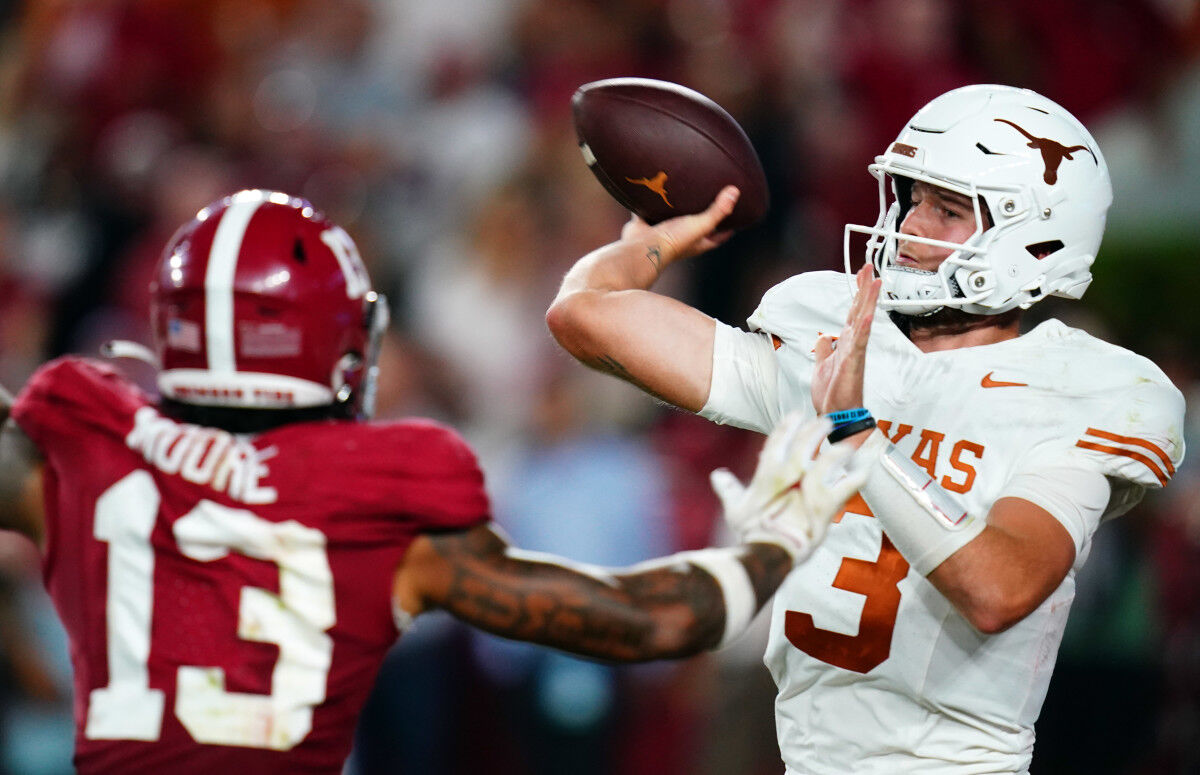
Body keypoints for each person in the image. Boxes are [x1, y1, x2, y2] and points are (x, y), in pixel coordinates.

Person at [0, 189, 869, 774]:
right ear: (341, 340)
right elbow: (662, 617)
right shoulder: (382, 505)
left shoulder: (76, 454)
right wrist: (775, 536)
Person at [546, 83, 1186, 773]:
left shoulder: (1076, 390)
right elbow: (584, 314)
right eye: (913, 199)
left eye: (947, 210)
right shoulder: (836, 339)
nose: (911, 225)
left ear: (1035, 236)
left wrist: (857, 434)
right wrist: (650, 243)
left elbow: (1000, 589)